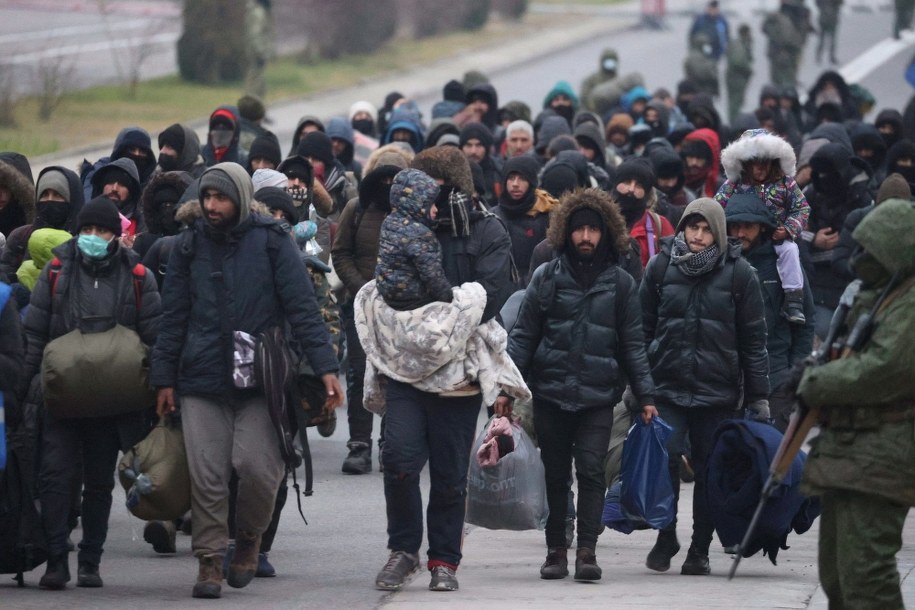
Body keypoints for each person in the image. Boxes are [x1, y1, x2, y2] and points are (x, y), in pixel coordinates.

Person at [150, 162, 343, 599]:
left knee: (258, 467)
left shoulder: (272, 241)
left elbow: (302, 309)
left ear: (240, 197)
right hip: (200, 377)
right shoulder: (188, 245)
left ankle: (250, 537)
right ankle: (209, 560)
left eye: (221, 197)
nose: (212, 205)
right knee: (208, 475)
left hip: (260, 378)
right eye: (207, 197)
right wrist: (164, 378)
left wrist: (326, 368)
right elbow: (173, 316)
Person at [371, 145, 513, 593]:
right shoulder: (403, 226)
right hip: (407, 367)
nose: (433, 200)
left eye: (440, 188)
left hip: (459, 374)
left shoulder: (487, 231)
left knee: (450, 475)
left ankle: (444, 560)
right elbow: (384, 281)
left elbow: (492, 291)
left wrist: (447, 314)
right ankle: (403, 550)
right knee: (398, 458)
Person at [500, 187, 656, 582]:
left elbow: (633, 346)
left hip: (598, 396)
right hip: (550, 394)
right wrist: (506, 390)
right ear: (565, 232)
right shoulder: (546, 277)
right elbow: (523, 338)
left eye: (593, 230)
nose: (586, 237)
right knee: (555, 475)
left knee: (590, 472)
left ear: (606, 233)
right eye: (579, 229)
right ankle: (556, 550)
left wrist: (646, 396)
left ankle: (587, 551)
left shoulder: (621, 284)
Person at [23, 197, 162, 589]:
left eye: (101, 230)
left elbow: (155, 336)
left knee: (99, 483)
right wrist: (28, 388)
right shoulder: (55, 272)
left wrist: (158, 387)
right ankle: (56, 558)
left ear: (115, 236)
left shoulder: (138, 276)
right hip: (62, 397)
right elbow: (35, 333)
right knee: (54, 476)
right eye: (87, 230)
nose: (93, 237)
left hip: (110, 402)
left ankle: (90, 561)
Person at [640, 198, 769, 576]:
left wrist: (759, 396)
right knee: (665, 460)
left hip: (717, 391)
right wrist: (639, 384)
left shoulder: (739, 274)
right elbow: (641, 329)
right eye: (691, 227)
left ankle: (700, 548)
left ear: (719, 234)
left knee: (710, 471)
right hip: (667, 386)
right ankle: (666, 534)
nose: (697, 236)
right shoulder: (660, 266)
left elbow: (753, 341)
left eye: (705, 229)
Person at [798, 197, 915, 609]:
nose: (861, 255)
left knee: (866, 575)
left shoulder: (908, 304)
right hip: (851, 448)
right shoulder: (877, 296)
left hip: (885, 451)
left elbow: (883, 369)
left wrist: (818, 381)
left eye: (871, 248)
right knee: (836, 574)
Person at [332, 145, 413, 474]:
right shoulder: (356, 209)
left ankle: (389, 442)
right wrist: (362, 288)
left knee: (396, 375)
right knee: (358, 373)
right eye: (383, 179)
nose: (387, 187)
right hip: (360, 308)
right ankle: (359, 444)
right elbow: (340, 253)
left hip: (401, 310)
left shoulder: (413, 213)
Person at [725, 193, 815, 430]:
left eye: (748, 226)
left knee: (769, 447)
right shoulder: (719, 263)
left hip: (775, 377)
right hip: (725, 379)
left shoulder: (783, 263)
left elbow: (805, 322)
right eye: (735, 226)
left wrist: (794, 374)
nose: (740, 233)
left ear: (762, 228)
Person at [716, 128, 811, 324]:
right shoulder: (734, 183)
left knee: (791, 250)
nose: (760, 168)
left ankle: (794, 300)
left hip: (775, 238)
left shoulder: (786, 183)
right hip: (740, 238)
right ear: (745, 163)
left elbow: (802, 208)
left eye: (765, 162)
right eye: (754, 163)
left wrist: (788, 229)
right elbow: (716, 206)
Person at [375, 168, 453, 311]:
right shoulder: (420, 234)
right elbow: (432, 275)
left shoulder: (389, 221)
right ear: (418, 204)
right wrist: (448, 297)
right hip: (415, 299)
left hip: (389, 296)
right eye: (431, 204)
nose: (436, 209)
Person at [491, 155, 558, 284]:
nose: (515, 184)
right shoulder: (493, 216)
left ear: (531, 182)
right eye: (511, 178)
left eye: (522, 178)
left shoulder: (547, 215)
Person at [725, 24, 753, 123]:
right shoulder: (739, 44)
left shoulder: (736, 43)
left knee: (735, 102)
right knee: (736, 102)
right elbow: (737, 61)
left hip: (734, 77)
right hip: (737, 78)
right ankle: (734, 123)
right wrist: (748, 69)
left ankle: (734, 122)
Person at [815, 0, 842, 64]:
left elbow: (817, 3)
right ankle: (828, 57)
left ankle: (820, 57)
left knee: (824, 40)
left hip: (826, 19)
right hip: (829, 19)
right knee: (827, 40)